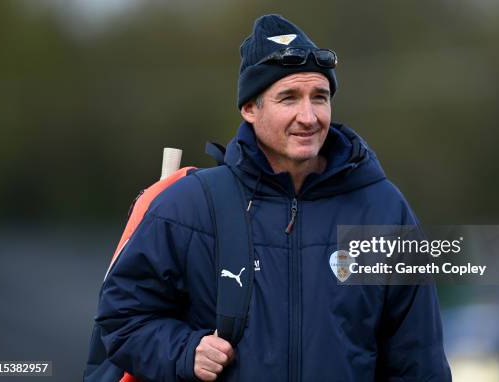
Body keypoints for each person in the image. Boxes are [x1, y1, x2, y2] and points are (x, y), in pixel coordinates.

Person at [94, 14, 452, 381]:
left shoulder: (385, 210)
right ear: (250, 108)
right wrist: (185, 352)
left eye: (320, 97)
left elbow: (419, 359)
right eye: (289, 98)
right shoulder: (187, 207)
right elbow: (122, 319)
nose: (309, 116)